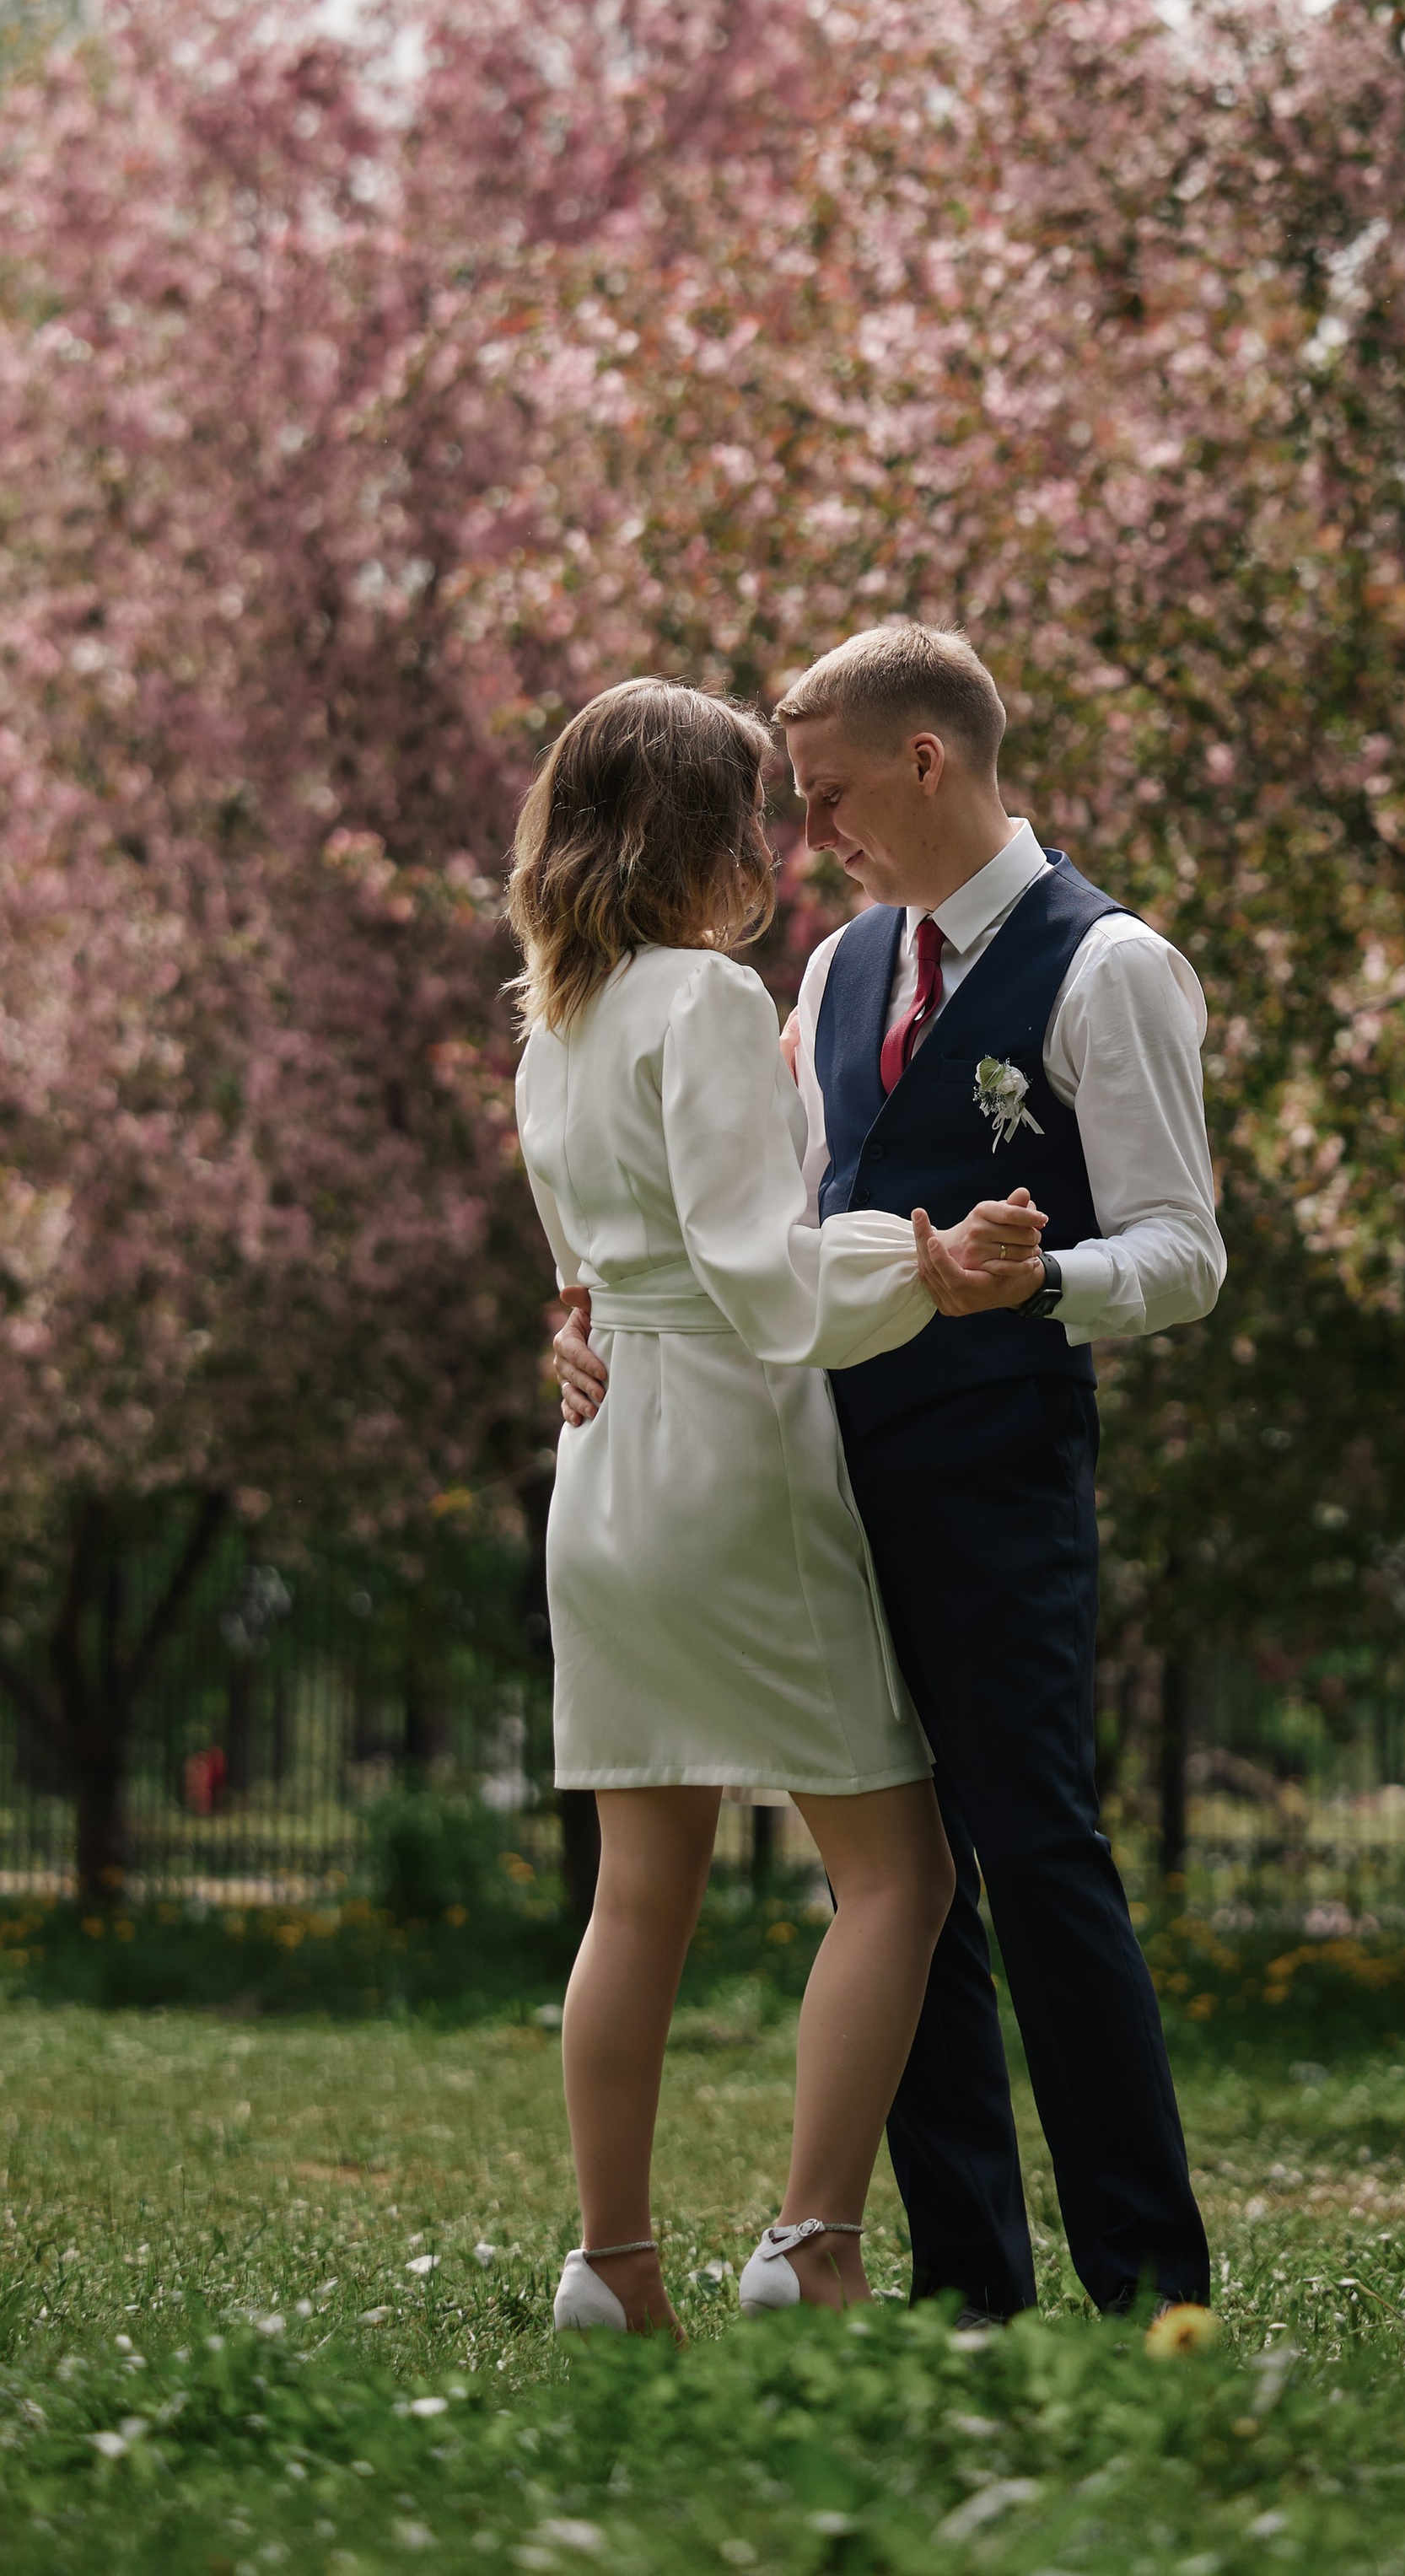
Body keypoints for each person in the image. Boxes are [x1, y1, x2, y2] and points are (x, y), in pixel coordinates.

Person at [555, 625, 1225, 2321]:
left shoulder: (1107, 966)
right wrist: (583, 1322)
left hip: (991, 1461)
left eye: (828, 790)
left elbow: (1183, 1252)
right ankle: (963, 2277)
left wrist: (1045, 1282)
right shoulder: (837, 975)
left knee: (1032, 1848)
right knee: (902, 1878)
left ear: (923, 761)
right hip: (806, 1458)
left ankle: (1146, 2285)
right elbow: (741, 1232)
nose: (804, 829)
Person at [509, 675, 1049, 2339]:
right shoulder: (707, 1002)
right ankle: (810, 2238)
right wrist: (927, 1265)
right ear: (696, 832)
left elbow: (586, 1287)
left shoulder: (556, 1019)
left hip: (601, 1480)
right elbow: (760, 1281)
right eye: (753, 811)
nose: (774, 841)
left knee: (634, 1886)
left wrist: (576, 1326)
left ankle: (610, 2265)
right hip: (728, 1460)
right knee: (896, 1872)